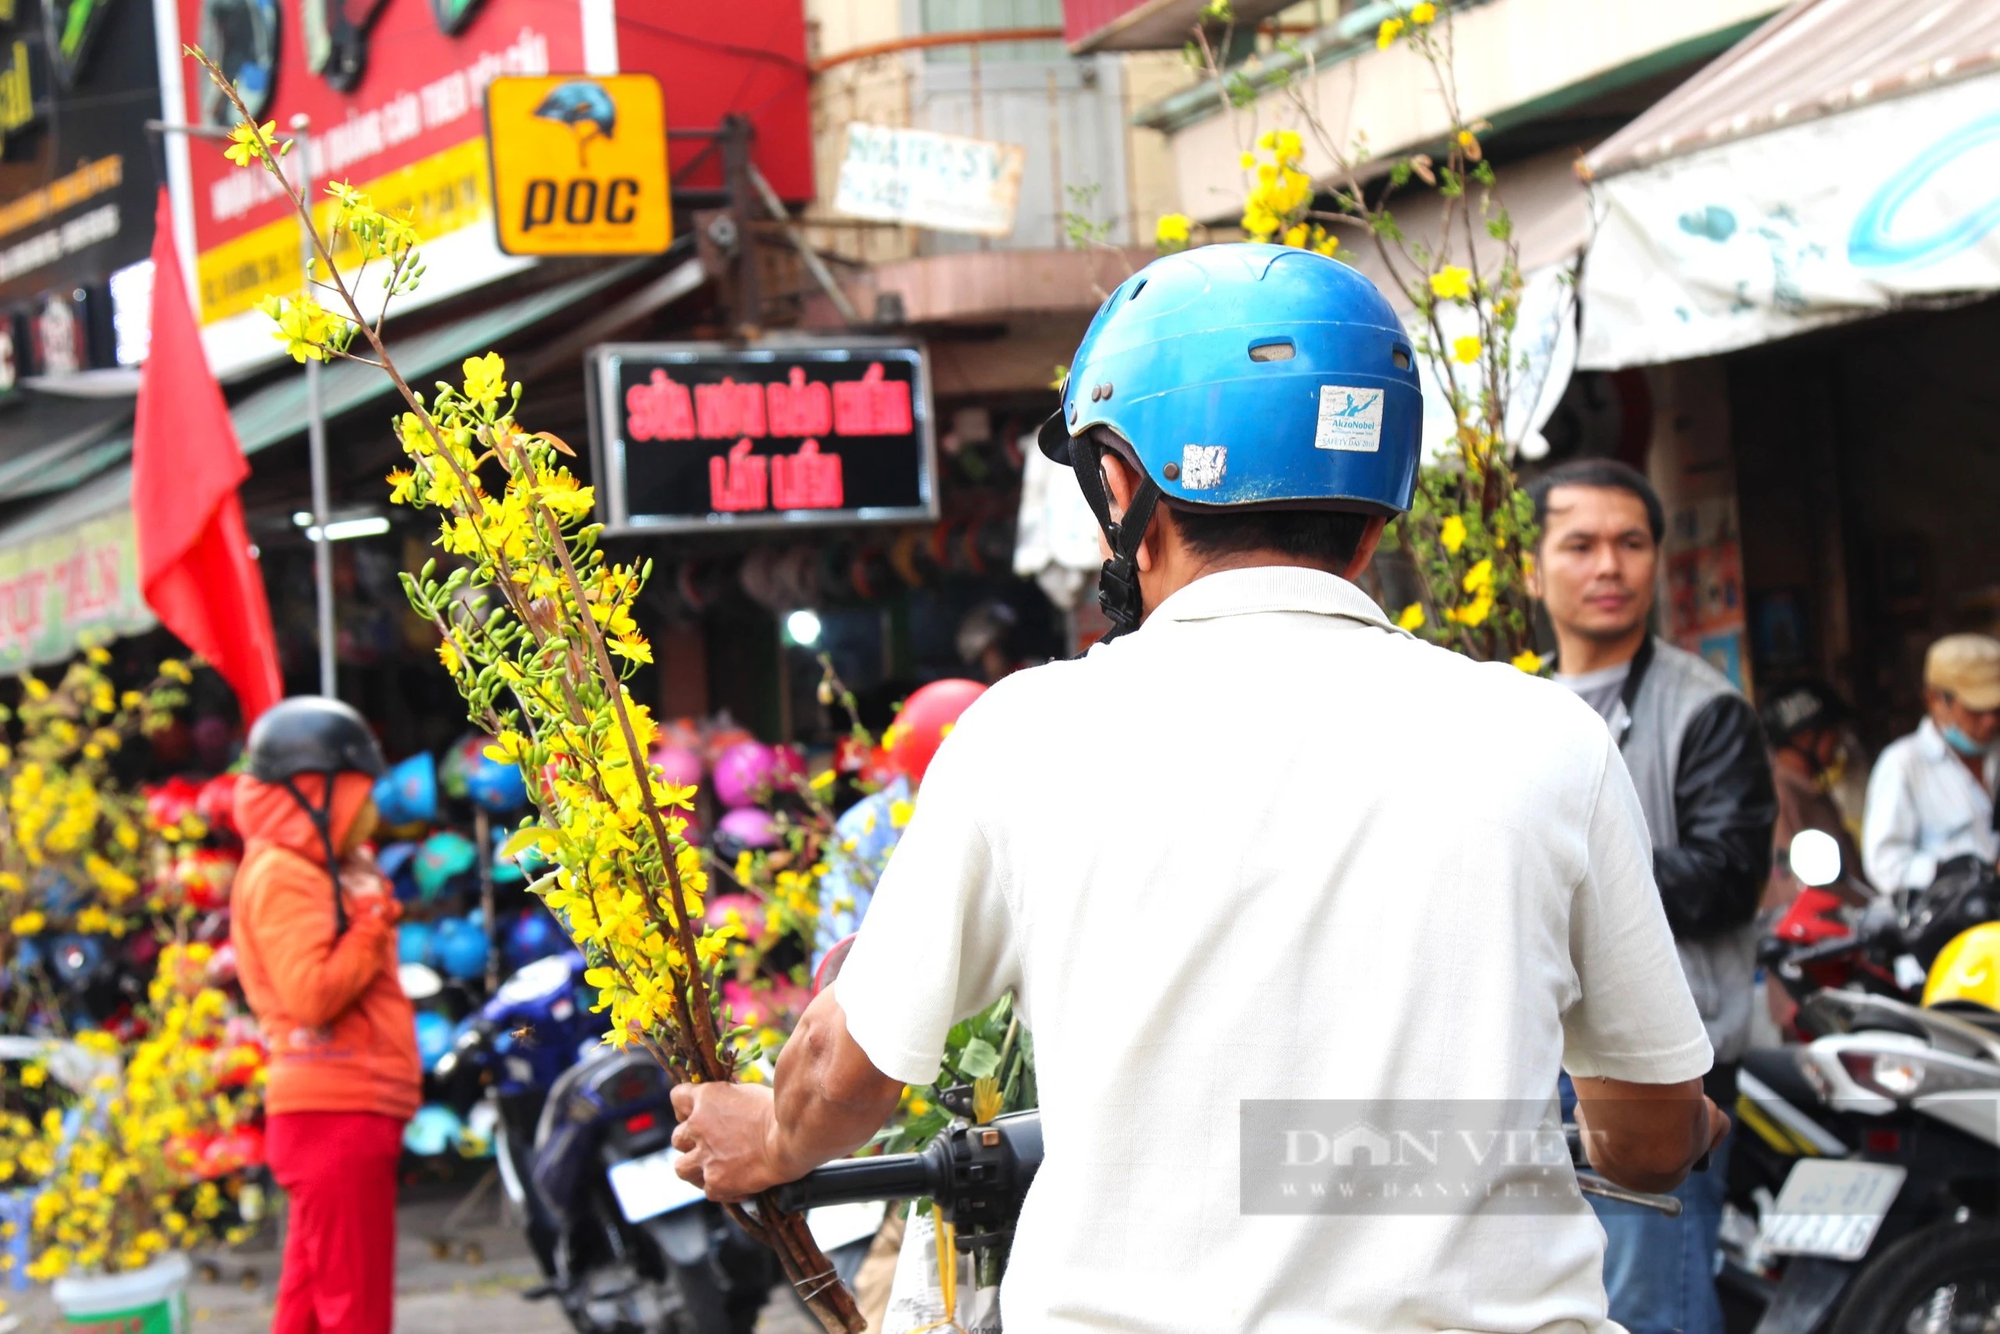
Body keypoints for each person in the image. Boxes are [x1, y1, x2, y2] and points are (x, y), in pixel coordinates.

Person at [669, 245, 1726, 1333]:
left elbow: (846, 1071)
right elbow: (1647, 1134)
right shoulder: (1547, 737)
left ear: (1123, 490)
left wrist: (772, 1132)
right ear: (1375, 512)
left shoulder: (1026, 737)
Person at [1525, 457, 1775, 1334]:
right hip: (1536, 1072)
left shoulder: (1706, 711)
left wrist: (1571, 876)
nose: (1608, 567)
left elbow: (1726, 876)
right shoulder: (1518, 704)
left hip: (1663, 1073)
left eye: (1631, 544)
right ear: (1532, 566)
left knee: (1649, 1306)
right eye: (1581, 544)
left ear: (1658, 561)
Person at [231, 698, 418, 1334]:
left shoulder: (308, 866)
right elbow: (311, 993)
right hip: (335, 1112)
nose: (368, 814)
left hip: (332, 1111)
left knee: (309, 1310)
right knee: (354, 1313)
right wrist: (371, 917)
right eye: (356, 795)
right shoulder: (285, 874)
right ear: (317, 792)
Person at [1861, 633, 2000, 893]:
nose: (1991, 721)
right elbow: (1885, 865)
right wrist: (1968, 874)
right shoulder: (1903, 764)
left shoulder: (1996, 755)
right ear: (1936, 701)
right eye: (1977, 709)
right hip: (1949, 926)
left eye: (1997, 709)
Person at [1760, 679, 1871, 910]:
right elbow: (1789, 887)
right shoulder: (1781, 797)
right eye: (1832, 731)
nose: (1838, 740)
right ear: (1805, 737)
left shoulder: (1809, 790)